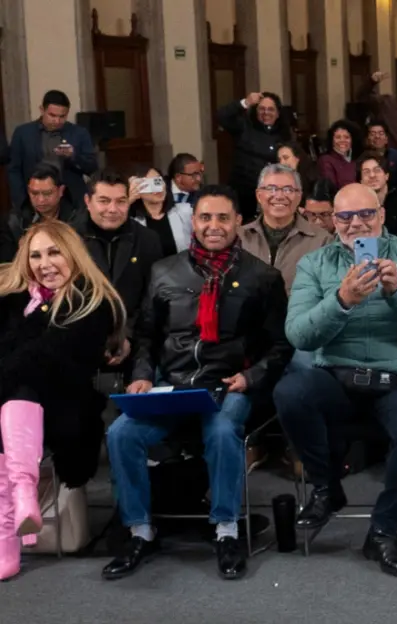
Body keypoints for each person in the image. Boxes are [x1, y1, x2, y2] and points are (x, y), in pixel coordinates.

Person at [103, 186, 291, 581]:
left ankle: (226, 529)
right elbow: (146, 337)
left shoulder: (263, 277)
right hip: (171, 386)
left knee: (223, 431)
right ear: (194, 221)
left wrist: (250, 376)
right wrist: (140, 377)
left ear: (239, 221)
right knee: (122, 432)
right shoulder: (165, 271)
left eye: (223, 217)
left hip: (226, 386)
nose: (214, 226)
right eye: (205, 217)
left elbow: (279, 345)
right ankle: (139, 529)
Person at [274, 183, 397, 577]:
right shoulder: (316, 263)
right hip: (337, 377)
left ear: (382, 215)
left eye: (365, 215)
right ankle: (326, 488)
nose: (356, 224)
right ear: (332, 221)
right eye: (345, 217)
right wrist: (340, 301)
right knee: (290, 392)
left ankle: (383, 529)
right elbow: (299, 336)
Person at [0, 221, 125, 581]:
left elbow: (49, 358)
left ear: (72, 254)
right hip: (16, 402)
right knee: (14, 396)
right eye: (35, 255)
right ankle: (22, 494)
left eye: (54, 252)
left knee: (20, 385)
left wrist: (35, 318)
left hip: (67, 405)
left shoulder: (92, 301)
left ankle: (15, 517)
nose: (45, 263)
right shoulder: (13, 300)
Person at [75, 169, 164, 345]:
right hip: (78, 340)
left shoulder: (148, 240)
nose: (113, 209)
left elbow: (152, 299)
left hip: (135, 341)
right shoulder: (69, 239)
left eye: (121, 201)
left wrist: (127, 337)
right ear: (88, 201)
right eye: (104, 201)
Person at [238, 164, 333, 291]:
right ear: (259, 195)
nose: (279, 196)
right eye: (271, 189)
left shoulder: (322, 241)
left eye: (288, 189)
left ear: (299, 196)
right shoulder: (239, 237)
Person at [7, 90, 98, 209]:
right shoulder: (23, 133)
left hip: (72, 200)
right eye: (52, 115)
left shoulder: (79, 133)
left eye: (62, 116)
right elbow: (14, 170)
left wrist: (73, 156)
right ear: (42, 110)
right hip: (35, 199)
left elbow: (92, 168)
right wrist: (21, 201)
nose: (57, 121)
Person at [217, 91, 293, 217]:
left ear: (278, 113)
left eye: (270, 109)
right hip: (245, 192)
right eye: (261, 109)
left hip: (273, 194)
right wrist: (245, 103)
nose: (266, 113)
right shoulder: (245, 126)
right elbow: (222, 116)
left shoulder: (284, 134)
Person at [127, 166, 192, 257]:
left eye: (157, 181)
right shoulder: (132, 221)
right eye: (148, 184)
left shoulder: (185, 211)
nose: (157, 188)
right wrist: (129, 200)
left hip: (180, 269)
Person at [357, 151, 397, 237]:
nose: (372, 175)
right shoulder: (355, 205)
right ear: (361, 181)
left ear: (386, 176)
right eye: (366, 172)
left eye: (377, 170)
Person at [317, 120, 364, 189]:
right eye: (338, 137)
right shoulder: (326, 160)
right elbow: (330, 188)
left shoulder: (359, 159)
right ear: (332, 140)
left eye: (346, 137)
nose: (342, 140)